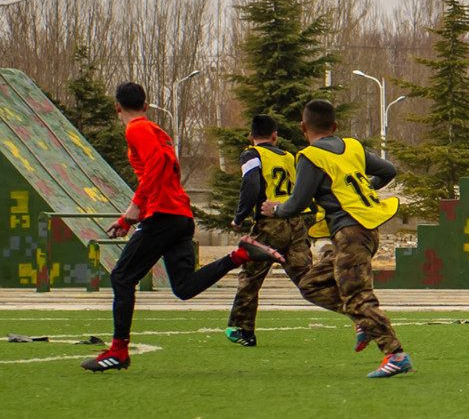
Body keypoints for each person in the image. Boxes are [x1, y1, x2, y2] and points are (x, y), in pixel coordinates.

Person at [81, 82, 284, 372]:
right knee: (185, 288)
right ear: (146, 104)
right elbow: (164, 162)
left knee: (122, 278)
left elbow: (159, 164)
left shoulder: (136, 129)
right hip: (179, 216)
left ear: (117, 106)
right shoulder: (157, 131)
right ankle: (239, 256)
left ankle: (118, 352)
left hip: (162, 215)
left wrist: (133, 210)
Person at [261, 99, 411, 379]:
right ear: (336, 126)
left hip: (350, 234)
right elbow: (388, 171)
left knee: (357, 298)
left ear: (303, 127)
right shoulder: (352, 146)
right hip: (363, 231)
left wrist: (275, 209)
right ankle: (363, 322)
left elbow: (297, 203)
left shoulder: (310, 156)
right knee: (311, 284)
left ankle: (395, 354)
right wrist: (365, 191)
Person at [225, 115, 315, 346]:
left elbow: (252, 183)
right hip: (294, 223)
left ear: (251, 136)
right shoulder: (289, 157)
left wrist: (240, 216)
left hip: (269, 225)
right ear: (275, 136)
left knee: (250, 276)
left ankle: (242, 330)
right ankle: (356, 311)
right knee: (309, 280)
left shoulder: (252, 154)